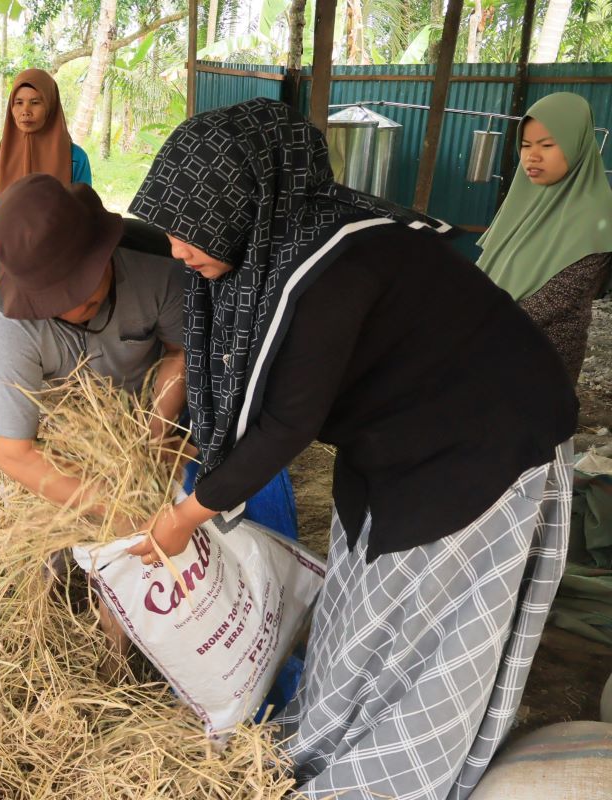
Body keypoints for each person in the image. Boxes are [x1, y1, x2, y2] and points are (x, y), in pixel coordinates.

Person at [127, 99, 577, 799]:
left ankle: (383, 772)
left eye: (191, 233)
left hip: (484, 437)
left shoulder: (335, 267)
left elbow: (286, 423)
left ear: (247, 202)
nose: (179, 251)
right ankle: (329, 730)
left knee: (428, 612)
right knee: (361, 590)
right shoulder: (270, 245)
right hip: (395, 429)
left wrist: (187, 514)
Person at [0, 173, 187, 511]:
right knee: (35, 521)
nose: (75, 310)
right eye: (53, 303)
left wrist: (156, 438)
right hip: (60, 432)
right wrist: (114, 507)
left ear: (104, 252)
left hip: (147, 413)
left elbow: (180, 352)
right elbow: (14, 452)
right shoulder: (6, 316)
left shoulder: (162, 264)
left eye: (85, 293)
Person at [477, 92, 612, 384]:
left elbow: (559, 298)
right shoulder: (523, 200)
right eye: (525, 146)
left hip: (542, 359)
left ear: (577, 145)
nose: (532, 156)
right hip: (488, 349)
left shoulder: (596, 214)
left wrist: (482, 321)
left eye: (547, 145)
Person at [0, 69, 92, 316]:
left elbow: (88, 218)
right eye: (18, 102)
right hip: (9, 275)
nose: (25, 110)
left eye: (35, 103)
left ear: (50, 106)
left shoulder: (75, 159)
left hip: (60, 273)